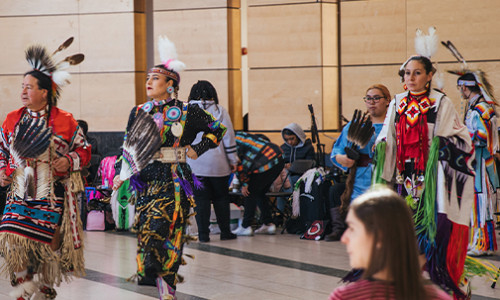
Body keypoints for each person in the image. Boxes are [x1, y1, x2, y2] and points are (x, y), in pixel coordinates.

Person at [112, 36, 226, 300]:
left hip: (175, 179)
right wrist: (121, 173)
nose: (149, 83)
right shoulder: (139, 111)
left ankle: (168, 290)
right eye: (148, 78)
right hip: (146, 179)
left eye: (155, 79)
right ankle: (158, 280)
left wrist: (197, 149)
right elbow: (127, 145)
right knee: (149, 231)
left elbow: (217, 129)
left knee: (169, 230)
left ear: (170, 84)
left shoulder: (187, 111)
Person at [374, 31, 475, 297]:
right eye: (407, 73)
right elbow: (387, 133)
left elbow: (461, 138)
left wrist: (443, 147)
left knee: (436, 236)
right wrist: (382, 145)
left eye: (417, 73)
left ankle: (452, 282)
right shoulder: (397, 102)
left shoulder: (441, 103)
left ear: (429, 75)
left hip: (433, 182)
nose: (410, 78)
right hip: (403, 181)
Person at [0, 38, 89, 299]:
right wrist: (3, 169)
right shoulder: (12, 119)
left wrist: (69, 160)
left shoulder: (65, 121)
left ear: (44, 92)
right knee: (11, 237)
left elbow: (84, 150)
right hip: (19, 191)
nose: (24, 92)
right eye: (22, 87)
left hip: (51, 195)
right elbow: (2, 150)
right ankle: (22, 289)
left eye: (29, 87)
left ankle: (45, 289)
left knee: (48, 245)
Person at [329, 187, 452, 300]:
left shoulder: (345, 297)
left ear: (379, 237)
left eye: (352, 228)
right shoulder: (438, 298)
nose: (344, 238)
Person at [325, 84, 390, 241]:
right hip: (360, 182)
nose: (371, 102)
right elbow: (337, 152)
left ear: (388, 100)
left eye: (376, 98)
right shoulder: (355, 126)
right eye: (368, 98)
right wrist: (344, 160)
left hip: (389, 179)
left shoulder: (395, 125)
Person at [186, 80, 238, 243]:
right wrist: (233, 159)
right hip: (219, 165)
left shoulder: (186, 112)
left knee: (201, 200)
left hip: (194, 164)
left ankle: (203, 234)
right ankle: (225, 232)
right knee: (221, 198)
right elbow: (228, 137)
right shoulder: (221, 111)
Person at [457, 72, 499, 256]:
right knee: (480, 202)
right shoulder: (479, 107)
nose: (460, 91)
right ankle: (482, 242)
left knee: (482, 201)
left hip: (481, 161)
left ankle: (483, 243)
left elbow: (483, 136)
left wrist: (463, 136)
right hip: (479, 161)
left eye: (461, 88)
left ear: (465, 88)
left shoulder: (480, 109)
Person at [231, 132, 284, 236]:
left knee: (249, 192)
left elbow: (239, 163)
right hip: (278, 158)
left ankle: (245, 226)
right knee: (260, 193)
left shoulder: (230, 143)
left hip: (265, 161)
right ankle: (268, 224)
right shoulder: (238, 135)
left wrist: (244, 183)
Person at [277, 123, 315, 211]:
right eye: (287, 140)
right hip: (285, 177)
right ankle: (287, 209)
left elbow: (310, 164)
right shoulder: (284, 148)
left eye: (292, 139)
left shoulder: (308, 148)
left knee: (282, 186)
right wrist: (285, 166)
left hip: (302, 177)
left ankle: (285, 209)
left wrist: (294, 166)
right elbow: (279, 163)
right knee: (282, 181)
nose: (290, 142)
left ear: (298, 136)